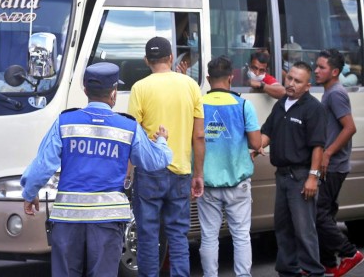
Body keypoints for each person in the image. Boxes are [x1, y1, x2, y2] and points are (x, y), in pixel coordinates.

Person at [20, 62, 173, 277]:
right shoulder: (128, 127)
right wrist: (162, 142)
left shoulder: (65, 122)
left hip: (67, 220)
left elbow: (43, 164)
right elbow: (156, 161)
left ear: (85, 90)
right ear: (113, 93)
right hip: (107, 221)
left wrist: (29, 192)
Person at [128, 36, 205, 277]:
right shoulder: (191, 86)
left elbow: (133, 137)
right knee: (178, 236)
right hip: (181, 171)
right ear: (171, 58)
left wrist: (128, 174)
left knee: (148, 236)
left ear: (146, 61)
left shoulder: (139, 88)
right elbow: (199, 136)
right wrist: (198, 173)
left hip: (149, 174)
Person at [198, 55, 262, 277]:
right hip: (238, 183)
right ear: (231, 78)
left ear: (208, 78)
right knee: (241, 236)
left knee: (208, 236)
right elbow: (255, 142)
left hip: (207, 183)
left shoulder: (198, 106)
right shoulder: (244, 105)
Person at [261, 61, 326, 277]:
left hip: (301, 177)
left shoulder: (313, 108)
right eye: (289, 78)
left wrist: (313, 177)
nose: (291, 84)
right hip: (282, 176)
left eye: (297, 81)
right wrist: (256, 147)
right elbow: (268, 132)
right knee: (283, 228)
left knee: (304, 231)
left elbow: (318, 146)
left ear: (307, 86)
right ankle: (288, 271)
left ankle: (313, 272)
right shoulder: (281, 104)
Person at [314, 49, 363, 277]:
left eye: (321, 67)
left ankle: (350, 253)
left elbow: (350, 127)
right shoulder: (329, 92)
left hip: (333, 166)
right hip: (331, 164)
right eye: (316, 66)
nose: (316, 70)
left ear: (334, 72)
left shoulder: (335, 94)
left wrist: (328, 153)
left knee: (318, 213)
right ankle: (328, 264)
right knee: (325, 213)